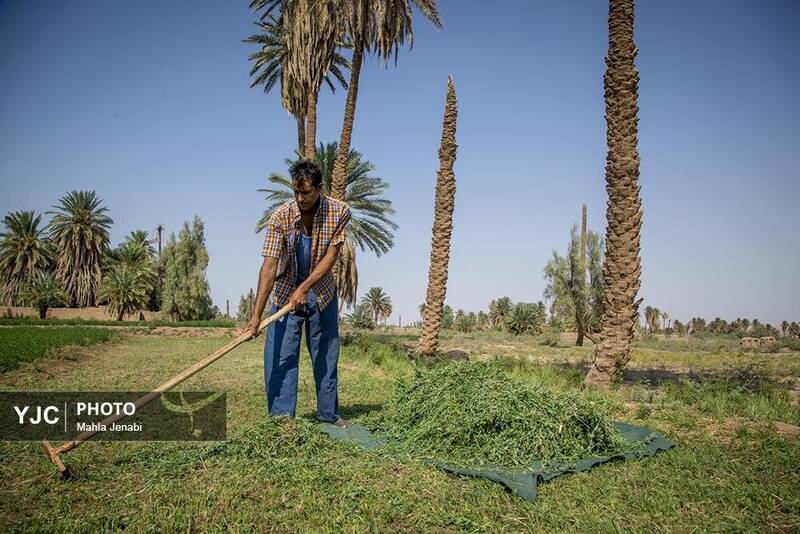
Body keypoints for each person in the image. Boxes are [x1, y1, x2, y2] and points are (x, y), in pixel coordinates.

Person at [244, 160, 351, 427]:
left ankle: (328, 414)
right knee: (280, 353)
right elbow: (269, 266)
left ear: (319, 188)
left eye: (306, 193)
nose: (300, 198)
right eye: (296, 192)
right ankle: (282, 420)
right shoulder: (281, 216)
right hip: (284, 292)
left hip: (321, 291)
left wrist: (305, 288)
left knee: (325, 353)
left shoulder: (339, 212)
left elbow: (331, 257)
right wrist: (256, 315)